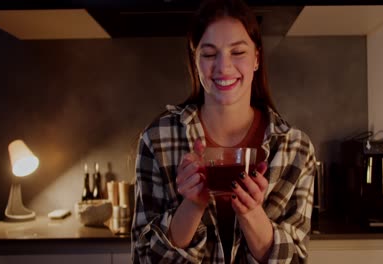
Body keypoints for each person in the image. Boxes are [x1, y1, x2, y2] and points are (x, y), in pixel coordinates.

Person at [131, 0, 316, 263]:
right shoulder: (156, 140)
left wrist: (252, 213)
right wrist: (192, 205)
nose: (223, 67)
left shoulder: (296, 148)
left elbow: (296, 259)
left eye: (238, 52)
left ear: (256, 58)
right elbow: (144, 258)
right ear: (195, 61)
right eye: (208, 54)